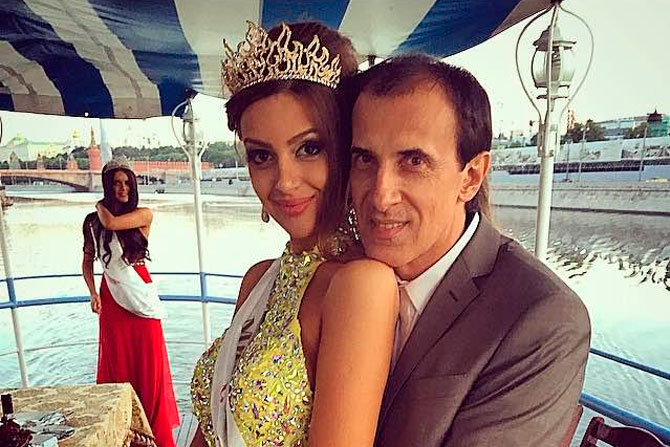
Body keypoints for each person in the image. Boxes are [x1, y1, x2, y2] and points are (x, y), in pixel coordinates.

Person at [346, 54, 591, 446]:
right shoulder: (337, 271)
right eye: (364, 159)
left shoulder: (541, 317)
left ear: (471, 177)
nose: (380, 194)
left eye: (413, 161)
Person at [190, 21, 398, 447]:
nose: (284, 182)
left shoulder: (359, 285)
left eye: (309, 148)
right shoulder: (257, 280)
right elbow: (211, 429)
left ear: (346, 147)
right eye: (261, 155)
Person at [82, 158, 180, 447]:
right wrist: (93, 292)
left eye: (126, 183)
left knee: (150, 366)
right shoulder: (92, 223)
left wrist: (100, 205)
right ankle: (124, 434)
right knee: (118, 365)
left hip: (140, 295)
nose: (122, 188)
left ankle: (155, 436)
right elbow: (87, 261)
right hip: (112, 298)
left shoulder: (143, 215)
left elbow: (111, 222)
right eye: (116, 183)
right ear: (108, 186)